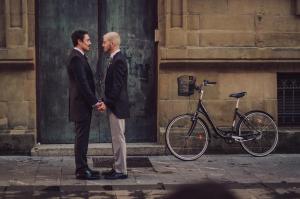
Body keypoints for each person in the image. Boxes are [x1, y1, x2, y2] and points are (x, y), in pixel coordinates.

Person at [67, 30, 104, 180]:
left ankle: (84, 166)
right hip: (80, 105)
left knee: (83, 137)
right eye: (87, 40)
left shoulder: (79, 56)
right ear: (79, 41)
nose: (90, 43)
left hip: (83, 105)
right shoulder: (76, 58)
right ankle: (81, 170)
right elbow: (82, 84)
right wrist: (95, 102)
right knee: (81, 138)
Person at [98, 32, 130, 180]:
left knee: (118, 138)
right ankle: (117, 167)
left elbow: (117, 87)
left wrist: (107, 102)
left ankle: (121, 171)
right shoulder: (114, 59)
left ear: (112, 43)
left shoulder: (118, 60)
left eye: (104, 42)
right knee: (116, 137)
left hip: (117, 106)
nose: (103, 45)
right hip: (114, 105)